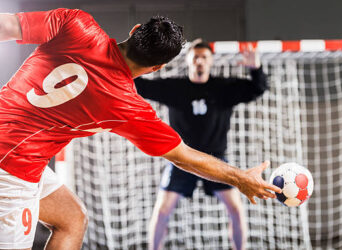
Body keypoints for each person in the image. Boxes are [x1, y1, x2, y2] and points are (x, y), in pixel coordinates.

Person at [0, 8, 281, 250]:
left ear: (134, 30)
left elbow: (6, 25)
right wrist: (241, 177)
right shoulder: (127, 106)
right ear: (156, 67)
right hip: (12, 170)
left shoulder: (75, 23)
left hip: (22, 161)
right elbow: (183, 155)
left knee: (72, 218)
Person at [135, 40, 268, 250]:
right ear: (188, 60)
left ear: (210, 62)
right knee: (161, 212)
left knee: (236, 209)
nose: (199, 61)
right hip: (181, 159)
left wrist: (256, 68)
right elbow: (140, 86)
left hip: (216, 160)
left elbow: (258, 88)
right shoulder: (175, 88)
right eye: (195, 57)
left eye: (204, 57)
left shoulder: (223, 89)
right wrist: (136, 62)